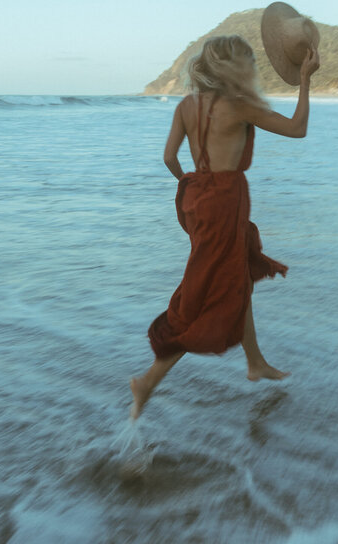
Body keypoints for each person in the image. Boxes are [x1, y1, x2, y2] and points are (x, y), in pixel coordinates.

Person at [130, 24, 320, 420]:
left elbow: (169, 158)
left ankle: (255, 361)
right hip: (225, 204)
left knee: (235, 275)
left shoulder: (186, 106)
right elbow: (297, 129)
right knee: (210, 293)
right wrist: (303, 80)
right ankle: (148, 380)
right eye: (248, 63)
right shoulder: (237, 107)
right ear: (235, 69)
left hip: (197, 201)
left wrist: (194, 185)